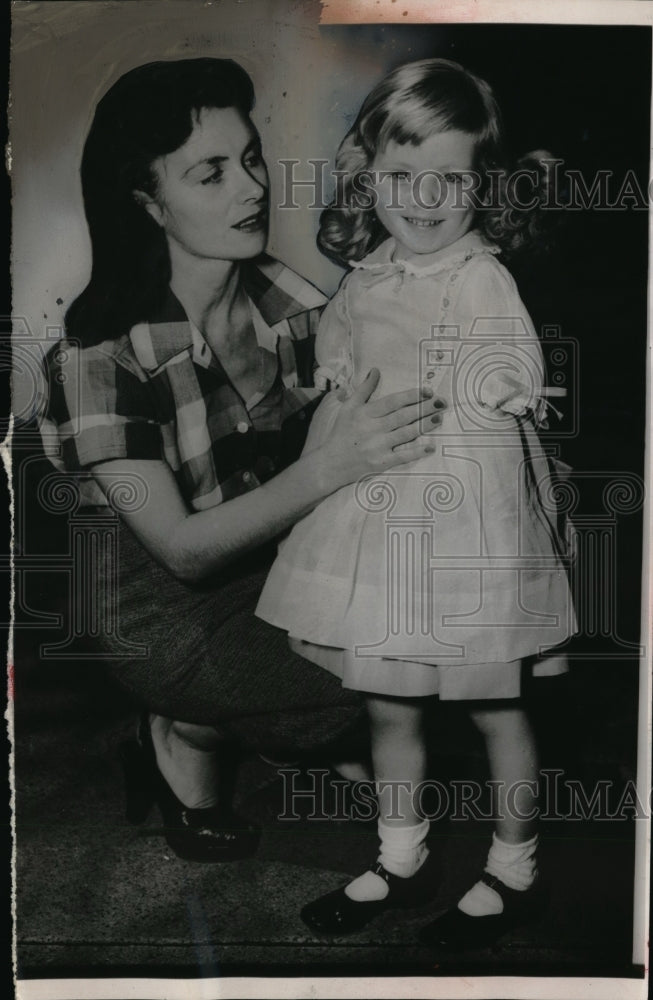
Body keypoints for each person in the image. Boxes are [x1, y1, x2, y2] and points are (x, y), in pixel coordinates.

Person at [39, 58, 440, 864]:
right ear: (148, 204)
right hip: (160, 614)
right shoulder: (96, 356)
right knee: (380, 668)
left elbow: (387, 376)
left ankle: (193, 731)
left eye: (251, 159)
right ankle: (194, 717)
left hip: (267, 565)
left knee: (437, 608)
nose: (252, 189)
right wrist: (329, 469)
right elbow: (183, 553)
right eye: (210, 173)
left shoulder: (276, 297)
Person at [256, 58, 576, 946]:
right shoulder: (368, 275)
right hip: (384, 504)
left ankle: (515, 865)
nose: (424, 199)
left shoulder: (479, 275)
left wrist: (505, 384)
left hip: (468, 510)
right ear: (369, 175)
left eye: (450, 179)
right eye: (401, 177)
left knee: (493, 702)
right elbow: (342, 344)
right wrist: (334, 376)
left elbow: (515, 360)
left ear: (485, 185)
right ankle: (401, 855)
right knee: (388, 703)